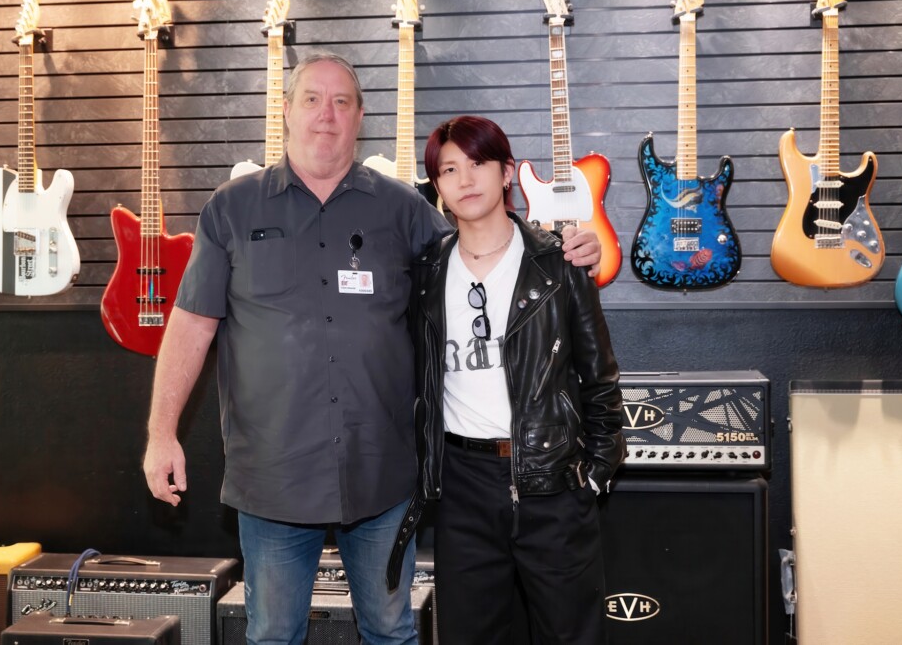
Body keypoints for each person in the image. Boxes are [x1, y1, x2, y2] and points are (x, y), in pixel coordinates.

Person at [142, 55, 603, 645]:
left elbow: (485, 248)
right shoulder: (231, 208)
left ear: (360, 117)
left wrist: (561, 246)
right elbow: (190, 324)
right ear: (286, 111)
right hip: (273, 476)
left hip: (382, 475)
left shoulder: (403, 208)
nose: (326, 115)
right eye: (312, 99)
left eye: (342, 102)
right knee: (272, 636)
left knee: (390, 630)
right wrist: (162, 433)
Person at [390, 115, 625, 644]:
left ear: (507, 173)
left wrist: (593, 477)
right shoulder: (425, 273)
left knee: (571, 635)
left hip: (553, 482)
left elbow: (601, 379)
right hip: (461, 487)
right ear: (438, 186)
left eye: (478, 163)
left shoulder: (559, 263)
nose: (466, 179)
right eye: (450, 169)